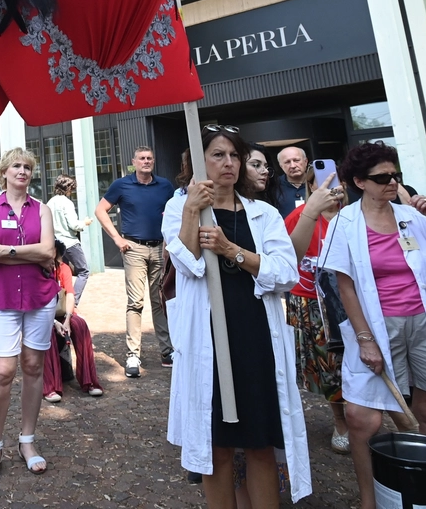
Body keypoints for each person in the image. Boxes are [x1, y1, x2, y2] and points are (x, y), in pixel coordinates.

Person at [324, 142, 426, 509]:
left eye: (396, 176)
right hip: (378, 325)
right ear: (359, 181)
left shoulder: (413, 216)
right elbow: (343, 285)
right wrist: (364, 338)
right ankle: (370, 501)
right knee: (363, 418)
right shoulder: (344, 223)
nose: (392, 183)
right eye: (382, 178)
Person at [163, 126, 310, 508]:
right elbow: (188, 262)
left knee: (260, 441)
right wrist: (193, 208)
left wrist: (233, 251)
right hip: (208, 338)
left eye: (234, 156)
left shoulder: (264, 213)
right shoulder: (178, 209)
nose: (228, 163)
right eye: (217, 155)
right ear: (198, 162)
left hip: (256, 334)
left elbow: (285, 272)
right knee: (217, 446)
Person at [0, 147, 56, 480]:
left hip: (40, 296)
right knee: (2, 372)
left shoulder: (43, 209)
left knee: (34, 366)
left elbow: (49, 251)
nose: (22, 171)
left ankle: (27, 440)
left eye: (27, 167)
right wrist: (31, 254)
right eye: (15, 166)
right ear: (4, 173)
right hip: (5, 298)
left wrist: (8, 251)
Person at [283, 169, 350, 454]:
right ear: (311, 186)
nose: (333, 188)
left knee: (357, 363)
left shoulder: (355, 217)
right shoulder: (299, 218)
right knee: (328, 367)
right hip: (311, 303)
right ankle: (341, 422)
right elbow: (283, 256)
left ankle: (364, 415)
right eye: (322, 181)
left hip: (351, 301)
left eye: (339, 182)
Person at [95, 146, 175, 377]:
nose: (146, 161)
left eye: (150, 158)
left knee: (160, 300)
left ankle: (167, 351)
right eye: (142, 158)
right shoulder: (122, 184)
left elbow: (173, 214)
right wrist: (117, 238)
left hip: (160, 248)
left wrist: (170, 243)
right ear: (134, 162)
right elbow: (101, 210)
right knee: (135, 302)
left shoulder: (165, 186)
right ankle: (133, 354)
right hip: (134, 248)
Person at [42, 240, 103, 402]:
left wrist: (68, 319)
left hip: (63, 312)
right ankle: (51, 386)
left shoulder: (63, 268)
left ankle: (89, 381)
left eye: (52, 250)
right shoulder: (36, 271)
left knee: (80, 325)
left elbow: (70, 294)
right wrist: (53, 323)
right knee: (46, 332)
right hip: (42, 315)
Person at [46, 174, 92, 303]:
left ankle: (60, 301)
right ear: (68, 188)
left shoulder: (50, 202)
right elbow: (74, 225)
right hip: (70, 243)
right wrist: (85, 222)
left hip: (57, 244)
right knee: (83, 271)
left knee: (63, 272)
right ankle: (73, 301)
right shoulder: (67, 203)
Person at [274, 146, 308, 217]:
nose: (293, 166)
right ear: (281, 166)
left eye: (296, 160)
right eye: (287, 162)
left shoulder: (317, 183)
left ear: (305, 161)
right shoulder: (273, 185)